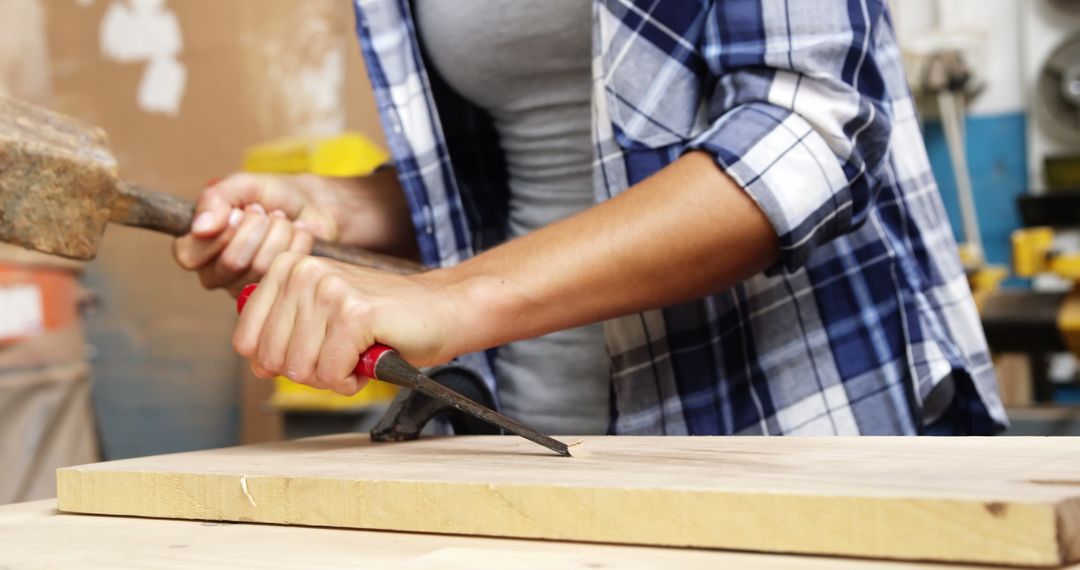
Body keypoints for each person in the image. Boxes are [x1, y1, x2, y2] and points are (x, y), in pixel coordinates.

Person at [174, 1, 1008, 436]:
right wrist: (349, 208)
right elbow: (532, 151)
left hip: (778, 418)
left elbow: (813, 129)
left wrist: (456, 298)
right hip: (534, 422)